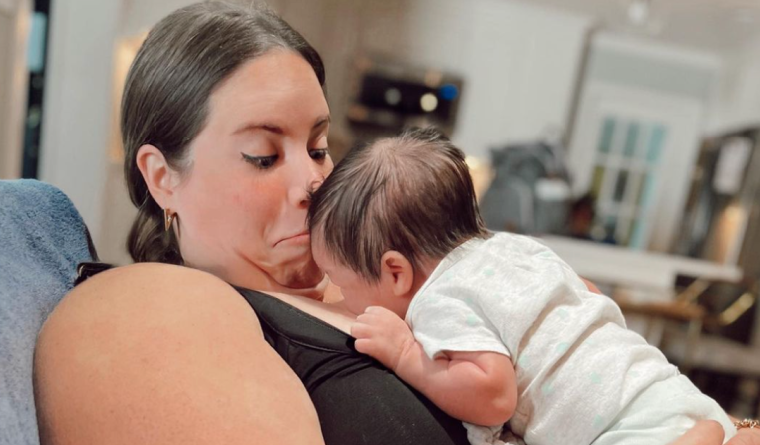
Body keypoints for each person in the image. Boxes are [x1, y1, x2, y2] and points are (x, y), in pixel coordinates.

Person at [32, 2, 760, 444]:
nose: (315, 181)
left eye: (320, 147)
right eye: (263, 155)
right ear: (163, 175)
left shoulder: (392, 278)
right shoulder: (138, 311)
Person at [306, 128, 740, 445]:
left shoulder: (439, 300)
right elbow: (589, 292)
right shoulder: (514, 248)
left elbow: (493, 395)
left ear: (395, 272)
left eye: (341, 281)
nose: (341, 295)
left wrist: (406, 355)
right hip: (667, 393)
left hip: (626, 431)